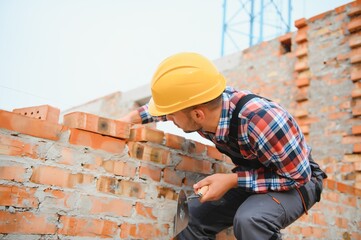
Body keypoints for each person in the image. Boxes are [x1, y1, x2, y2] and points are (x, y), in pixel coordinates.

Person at [121, 52, 327, 240]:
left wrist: (232, 180)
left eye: (172, 115)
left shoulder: (262, 120)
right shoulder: (203, 105)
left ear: (198, 114)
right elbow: (169, 107)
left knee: (251, 220)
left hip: (298, 179)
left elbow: (297, 176)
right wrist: (131, 117)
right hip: (256, 176)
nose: (169, 118)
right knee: (192, 217)